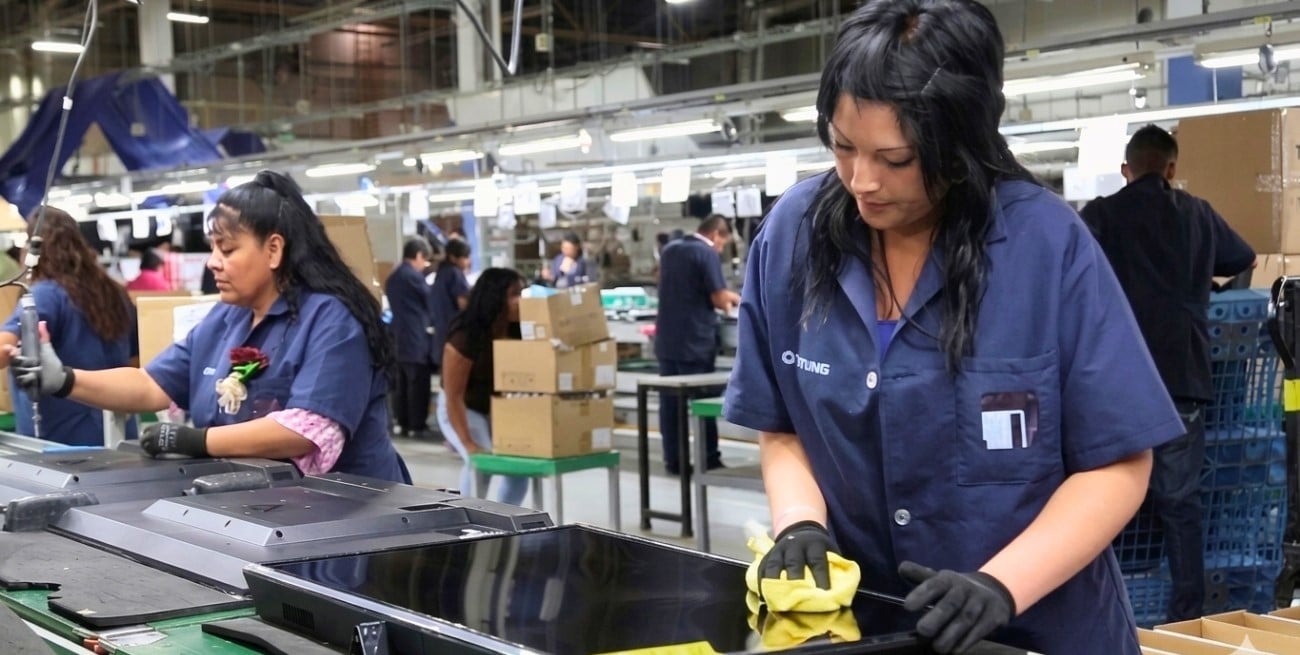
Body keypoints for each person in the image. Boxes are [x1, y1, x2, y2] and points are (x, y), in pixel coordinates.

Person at [723, 2, 1184, 653]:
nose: (861, 180)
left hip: (1038, 631)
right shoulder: (792, 239)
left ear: (959, 143)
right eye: (843, 146)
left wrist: (1001, 583)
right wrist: (801, 521)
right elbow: (784, 425)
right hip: (874, 631)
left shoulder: (1044, 247)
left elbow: (1119, 463)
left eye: (896, 158)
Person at [10, 171, 409, 483]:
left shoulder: (331, 319)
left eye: (228, 249)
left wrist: (199, 441)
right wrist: (64, 379)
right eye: (213, 248)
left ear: (274, 249)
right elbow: (151, 384)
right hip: (268, 506)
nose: (213, 262)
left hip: (352, 514)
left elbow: (305, 430)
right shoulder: (227, 317)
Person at [1080, 124, 1255, 621]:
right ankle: (1188, 617)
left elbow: (1073, 270)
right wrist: (1204, 282)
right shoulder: (1197, 212)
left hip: (1118, 383)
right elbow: (1243, 257)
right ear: (1172, 169)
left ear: (1126, 170)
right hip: (1183, 377)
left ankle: (1107, 610)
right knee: (1180, 504)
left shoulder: (1102, 214)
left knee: (1104, 502)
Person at [0, 207, 137, 445]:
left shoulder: (44, 296)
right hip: (118, 432)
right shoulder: (116, 293)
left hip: (62, 441)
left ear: (34, 249)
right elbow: (134, 361)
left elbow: (3, 347)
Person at [655, 214, 740, 475]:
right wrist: (737, 299)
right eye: (722, 244)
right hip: (695, 341)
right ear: (716, 235)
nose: (721, 249)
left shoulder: (670, 250)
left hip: (668, 340)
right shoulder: (706, 253)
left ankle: (675, 461)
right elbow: (718, 299)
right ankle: (709, 458)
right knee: (704, 401)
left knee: (670, 404)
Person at [435, 268, 528, 505]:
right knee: (481, 462)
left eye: (522, 293)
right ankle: (468, 520)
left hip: (494, 408)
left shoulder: (519, 331)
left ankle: (507, 520)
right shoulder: (466, 336)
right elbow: (453, 396)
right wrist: (467, 442)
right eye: (514, 294)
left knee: (519, 468)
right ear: (495, 298)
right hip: (461, 407)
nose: (521, 301)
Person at [385, 236, 436, 440]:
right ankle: (416, 425)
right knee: (417, 383)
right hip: (415, 337)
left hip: (397, 336)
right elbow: (430, 298)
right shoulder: (413, 276)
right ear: (418, 255)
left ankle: (403, 422)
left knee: (402, 384)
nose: (424, 266)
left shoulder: (394, 276)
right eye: (424, 261)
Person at [428, 238, 471, 371]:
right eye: (464, 257)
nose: (467, 261)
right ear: (453, 257)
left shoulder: (440, 274)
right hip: (453, 335)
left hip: (441, 336)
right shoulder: (455, 273)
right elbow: (463, 303)